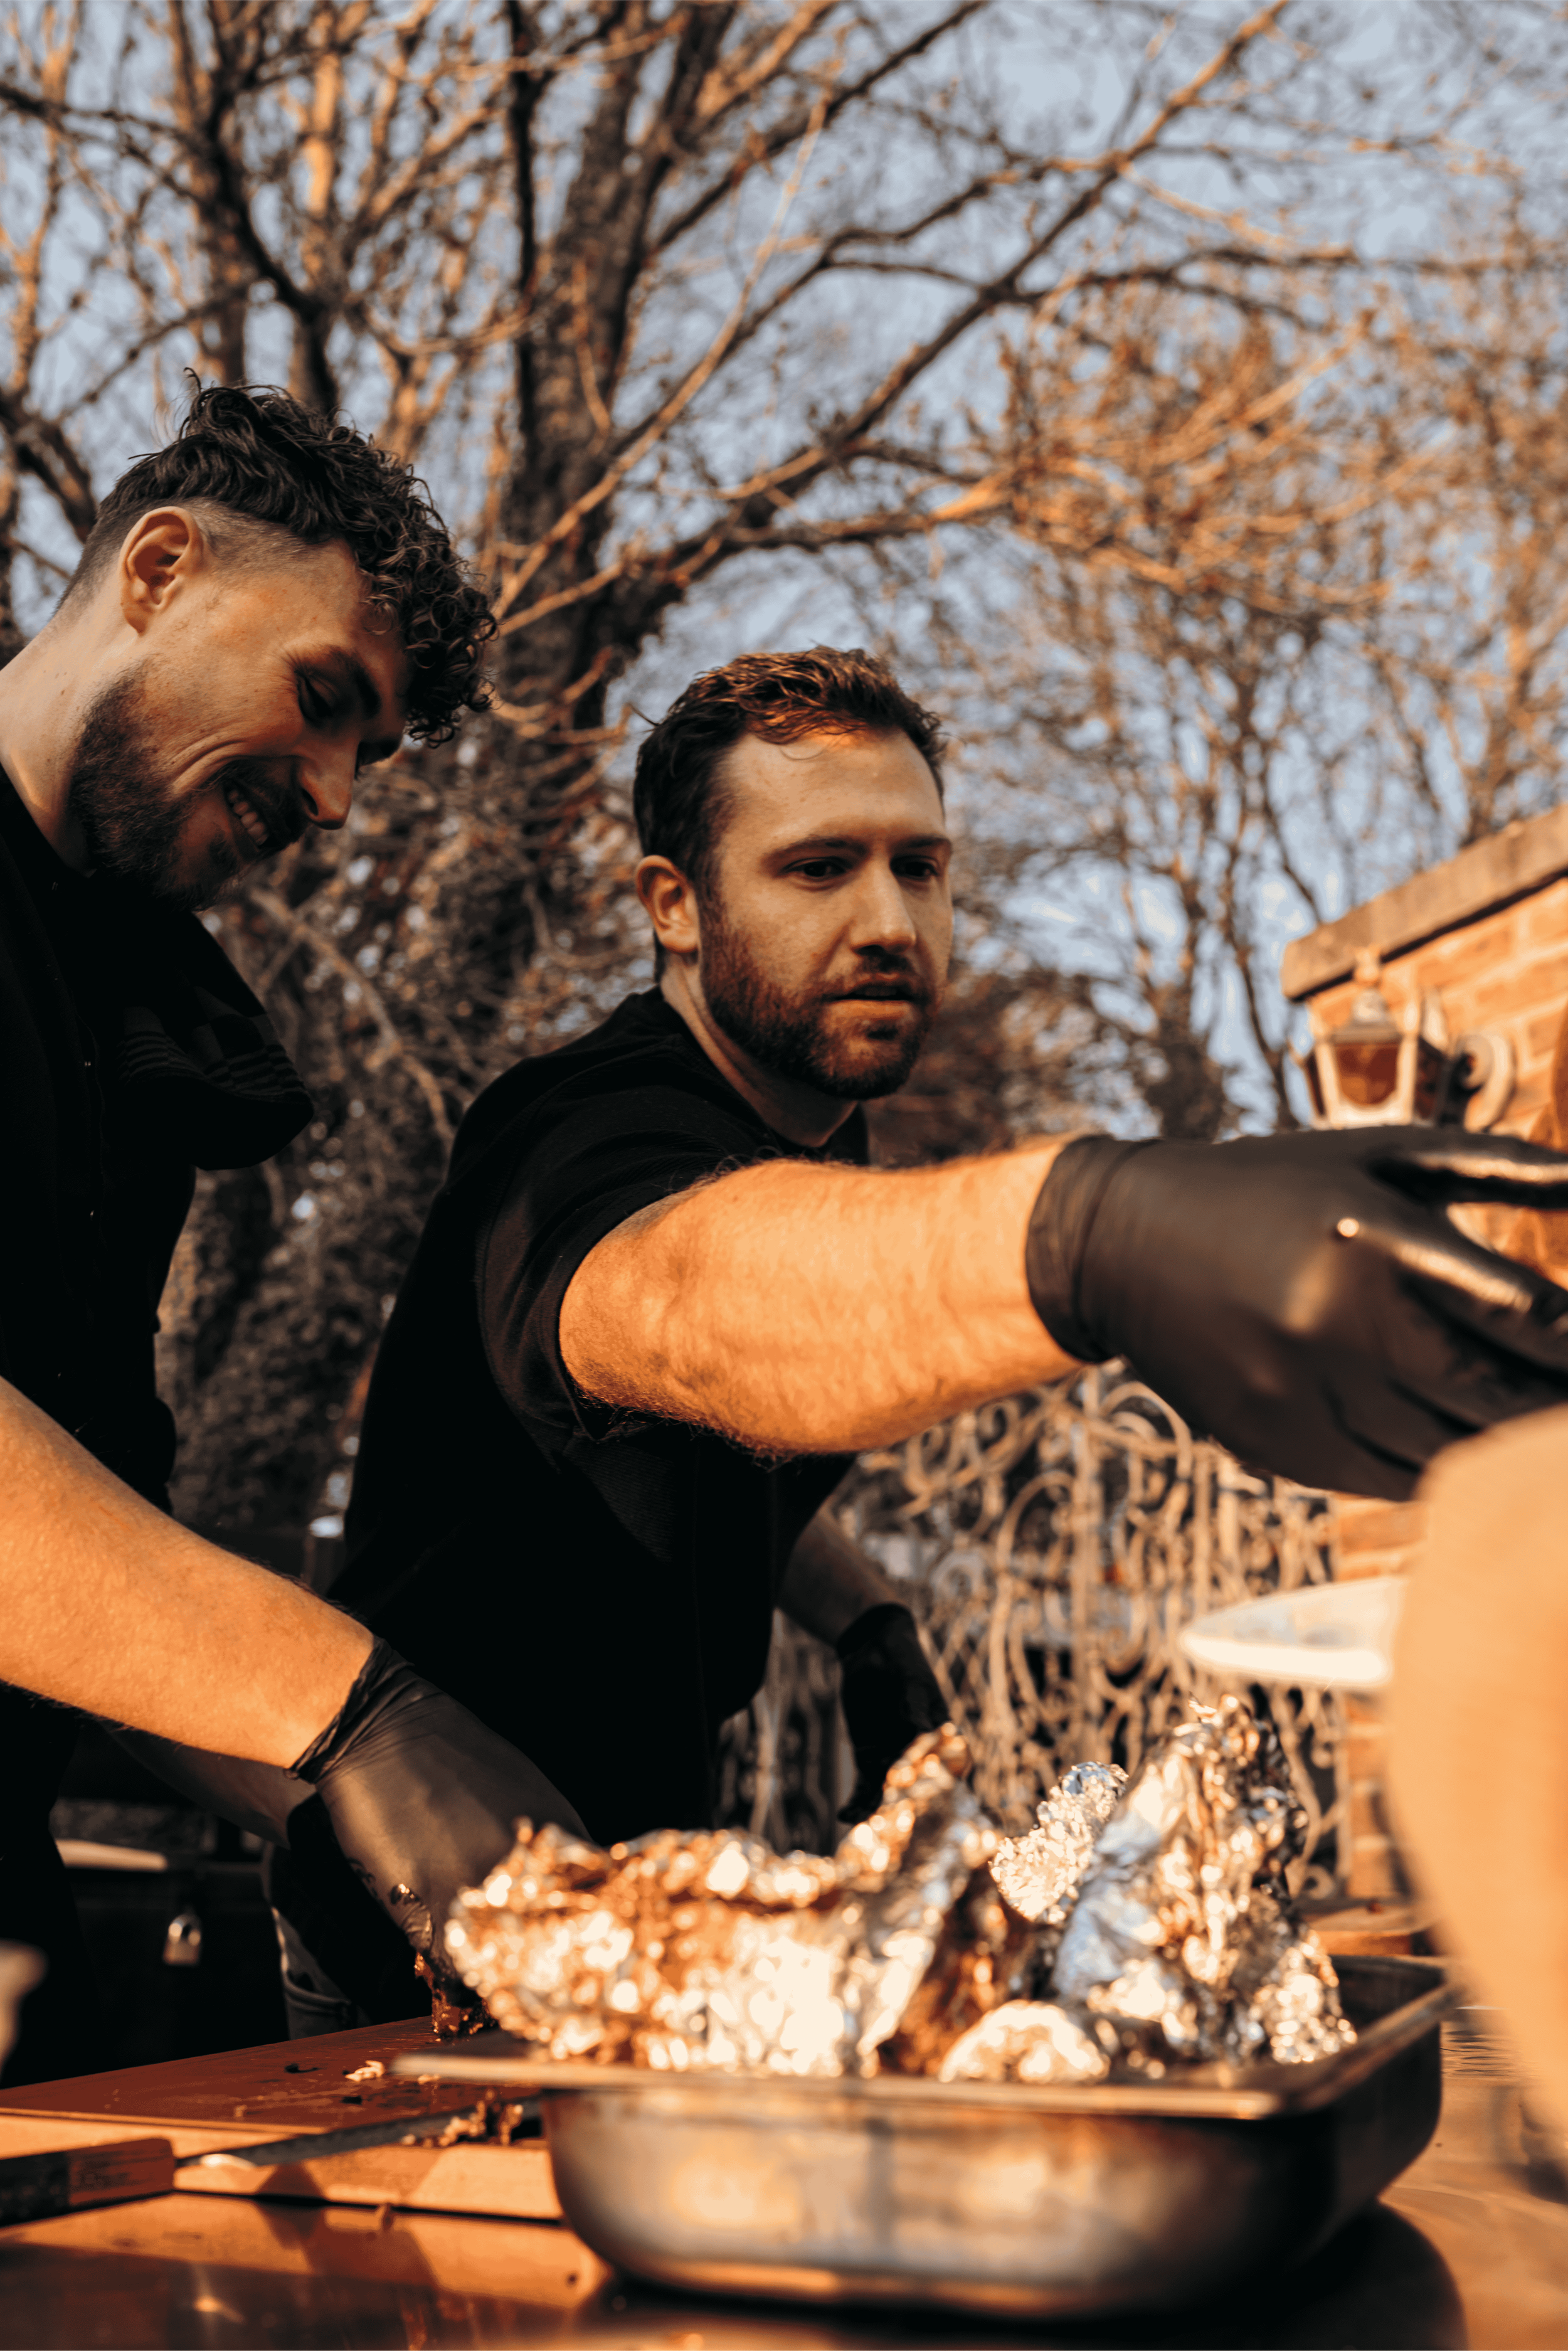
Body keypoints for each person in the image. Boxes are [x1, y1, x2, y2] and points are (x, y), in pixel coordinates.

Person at [313, 644, 1568, 2021]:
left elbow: (705, 1440)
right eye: (817, 867)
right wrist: (1090, 1233)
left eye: (920, 867)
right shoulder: (577, 1129)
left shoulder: (813, 1133)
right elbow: (683, 1313)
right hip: (410, 1922)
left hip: (629, 1891)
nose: (890, 921)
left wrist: (866, 1616)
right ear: (672, 905)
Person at [0, 382, 585, 2082]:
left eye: (372, 757)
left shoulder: (151, 1035)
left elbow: (79, 1565)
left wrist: (345, 1805)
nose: (334, 797)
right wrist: (350, 1710)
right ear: (160, 567)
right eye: (323, 700)